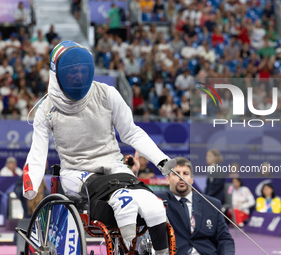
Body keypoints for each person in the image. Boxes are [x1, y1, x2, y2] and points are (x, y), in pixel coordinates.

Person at [22, 40, 170, 255]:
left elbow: (131, 132)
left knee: (153, 205)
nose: (79, 76)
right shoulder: (46, 109)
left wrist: (161, 159)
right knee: (122, 200)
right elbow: (38, 151)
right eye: (73, 71)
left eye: (83, 70)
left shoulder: (107, 93)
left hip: (113, 166)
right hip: (76, 172)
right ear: (58, 74)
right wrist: (31, 184)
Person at [156, 157, 235, 255]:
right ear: (167, 179)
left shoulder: (212, 204)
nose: (181, 177)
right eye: (176, 173)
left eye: (185, 173)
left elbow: (225, 239)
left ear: (192, 179)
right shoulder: (157, 201)